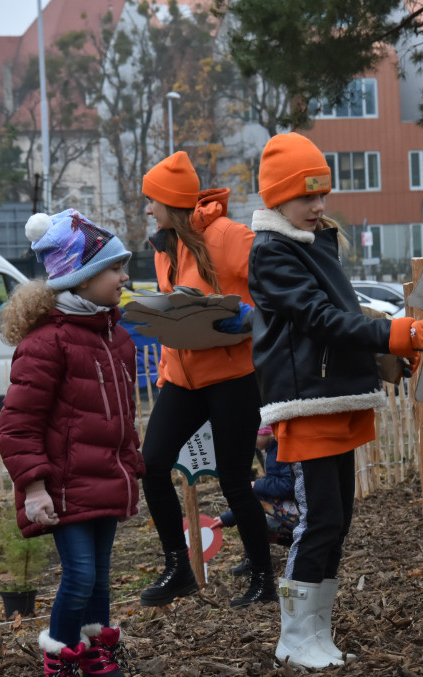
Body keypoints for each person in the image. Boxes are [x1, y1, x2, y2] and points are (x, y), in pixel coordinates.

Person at [247, 132, 423, 669]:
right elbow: (319, 320)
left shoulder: (313, 243)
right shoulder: (273, 253)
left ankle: (316, 629)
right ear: (277, 199)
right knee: (318, 519)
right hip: (307, 403)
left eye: (322, 194)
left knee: (337, 519)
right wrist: (388, 336)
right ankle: (294, 634)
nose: (319, 205)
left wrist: (382, 345)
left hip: (333, 398)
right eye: (307, 196)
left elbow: (338, 315)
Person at [0, 209, 143, 677]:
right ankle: (59, 655)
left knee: (99, 577)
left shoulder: (116, 337)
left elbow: (123, 414)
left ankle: (94, 649)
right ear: (80, 279)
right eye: (114, 268)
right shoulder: (47, 343)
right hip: (62, 485)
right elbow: (19, 422)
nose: (124, 276)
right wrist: (34, 486)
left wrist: (131, 464)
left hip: (106, 477)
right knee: (79, 574)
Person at [137, 151, 276, 608]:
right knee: (152, 463)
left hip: (232, 375)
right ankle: (178, 566)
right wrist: (162, 371)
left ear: (170, 202)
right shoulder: (164, 247)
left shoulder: (230, 237)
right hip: (181, 377)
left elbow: (277, 287)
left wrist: (253, 319)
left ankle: (263, 577)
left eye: (152, 201)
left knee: (236, 478)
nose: (147, 209)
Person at [211, 427, 299, 575]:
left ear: (267, 432)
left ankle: (256, 563)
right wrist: (225, 519)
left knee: (251, 517)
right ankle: (254, 561)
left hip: (296, 515)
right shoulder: (272, 450)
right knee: (250, 516)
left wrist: (258, 485)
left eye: (253, 436)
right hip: (288, 512)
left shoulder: (281, 450)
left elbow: (290, 486)